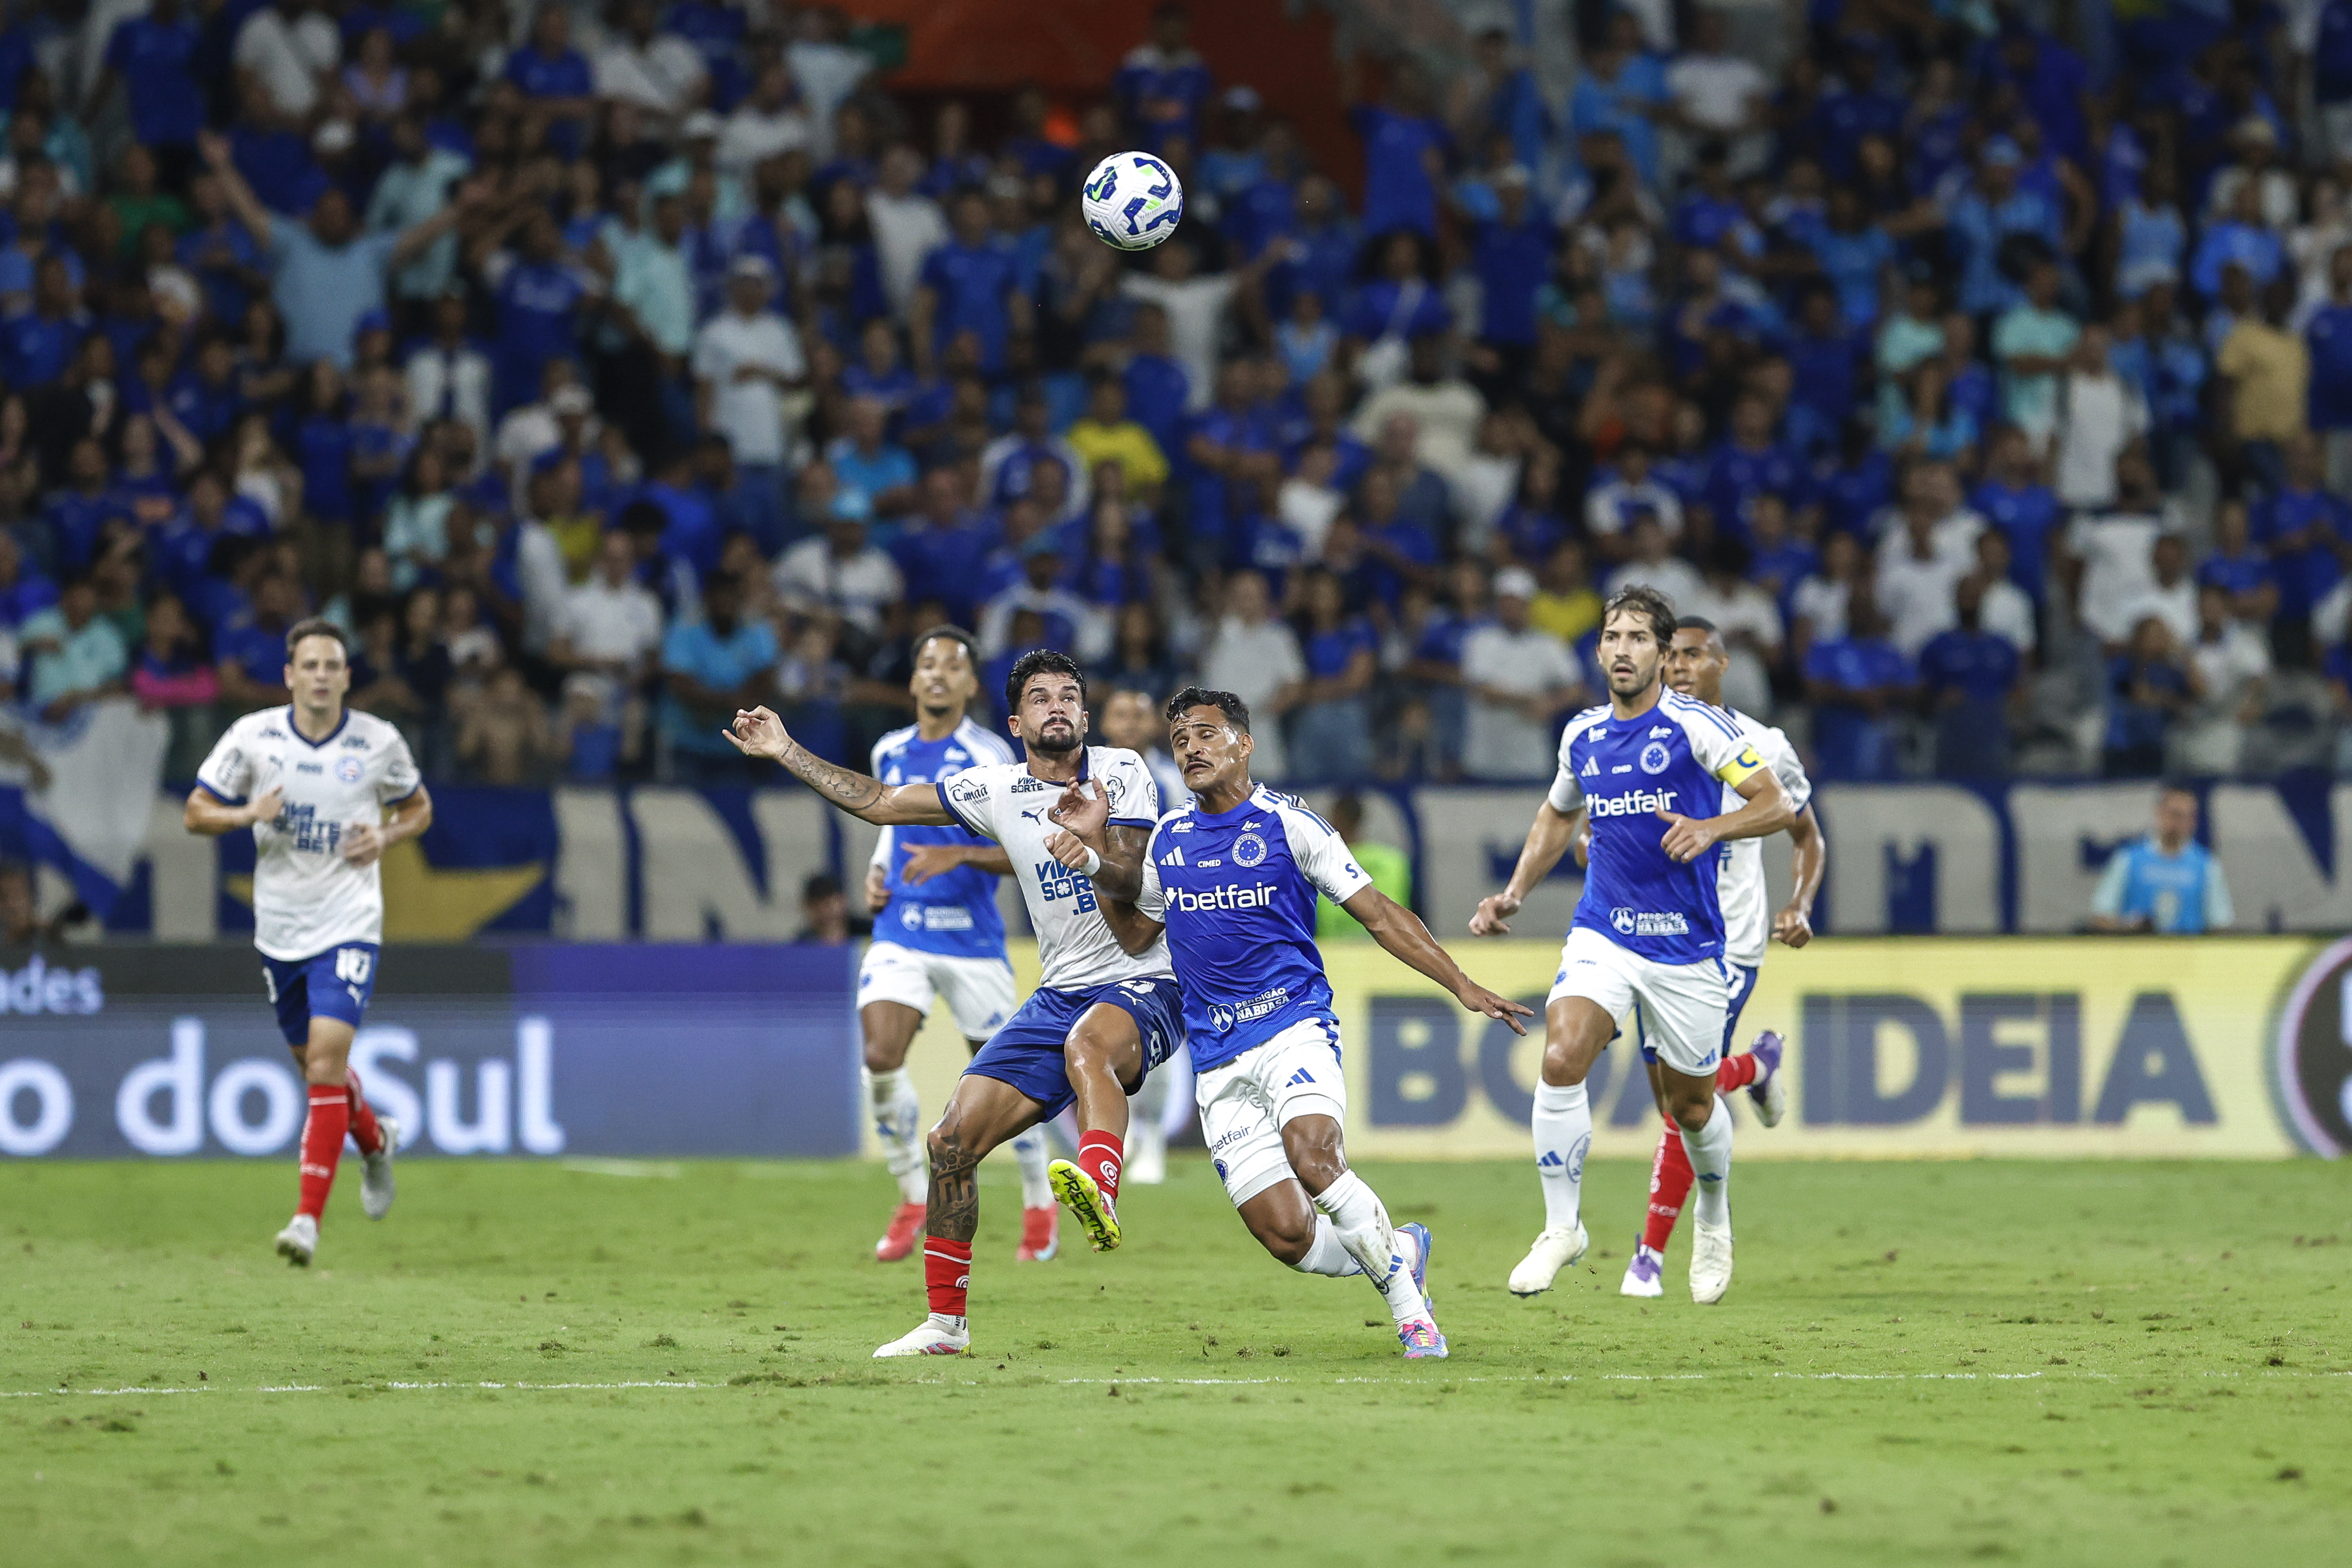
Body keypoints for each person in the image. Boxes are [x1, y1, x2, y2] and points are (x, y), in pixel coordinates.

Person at [723, 651, 1181, 1358]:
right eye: (1039, 697)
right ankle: (945, 1326)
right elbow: (880, 801)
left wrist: (1088, 850)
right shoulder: (994, 788)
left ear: (1086, 716)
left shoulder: (1120, 770)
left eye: (1068, 696)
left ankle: (1100, 1182)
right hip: (1061, 991)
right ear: (1015, 720)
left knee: (1089, 1046)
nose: (1056, 706)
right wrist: (786, 749)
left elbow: (1128, 890)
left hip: (1146, 977)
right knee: (950, 1142)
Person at [1071, 686, 1532, 1360]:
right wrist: (1089, 860)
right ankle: (1402, 1248)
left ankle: (1414, 1318)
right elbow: (1138, 930)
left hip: (1292, 1027)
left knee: (1314, 1157)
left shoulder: (1290, 825)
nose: (1191, 748)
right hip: (1218, 1058)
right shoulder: (1169, 837)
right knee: (1287, 1236)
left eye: (1205, 734)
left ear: (1244, 744)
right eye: (1180, 741)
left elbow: (1379, 913)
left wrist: (1460, 982)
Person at [1466, 586, 1793, 1305]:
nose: (1622, 649)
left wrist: (1712, 828)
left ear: (1661, 652)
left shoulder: (1696, 727)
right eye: (1611, 636)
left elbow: (1776, 803)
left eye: (1638, 638)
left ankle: (1712, 1213)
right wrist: (1515, 892)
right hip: (1604, 931)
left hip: (1686, 947)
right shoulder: (1581, 734)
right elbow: (1557, 815)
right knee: (1560, 1053)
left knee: (1692, 1109)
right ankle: (1562, 1228)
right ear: (1598, 650)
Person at [181, 619, 434, 1266]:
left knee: (324, 1060)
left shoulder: (378, 741)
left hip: (349, 922)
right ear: (290, 674)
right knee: (314, 1067)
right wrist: (245, 815)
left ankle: (306, 1222)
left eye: (333, 665)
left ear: (348, 676)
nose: (321, 675)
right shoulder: (253, 737)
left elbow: (419, 808)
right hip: (280, 930)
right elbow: (195, 811)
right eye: (310, 665)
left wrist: (386, 837)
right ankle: (375, 1143)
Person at [1612, 616, 1820, 1297]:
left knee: (1680, 1103)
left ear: (1722, 664)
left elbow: (1805, 836)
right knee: (1674, 1099)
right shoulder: (1639, 738)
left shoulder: (1764, 745)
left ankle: (1652, 1253)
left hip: (1729, 940)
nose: (1677, 667)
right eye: (1667, 655)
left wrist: (1800, 904)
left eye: (1692, 655)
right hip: (1654, 938)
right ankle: (1756, 1065)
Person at [857, 627, 1059, 1266]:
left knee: (1006, 1085)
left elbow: (1029, 846)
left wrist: (960, 852)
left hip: (972, 942)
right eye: (927, 664)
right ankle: (914, 1195)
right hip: (902, 932)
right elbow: (886, 818)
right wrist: (876, 867)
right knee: (880, 1053)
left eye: (952, 665)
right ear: (914, 680)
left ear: (972, 684)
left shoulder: (993, 752)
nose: (938, 674)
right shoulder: (888, 750)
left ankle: (1037, 1198)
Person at [2090, 785, 2234, 933]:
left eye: (2187, 816)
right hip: (2139, 952)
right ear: (2159, 813)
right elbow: (2101, 916)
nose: (2178, 823)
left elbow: (2220, 923)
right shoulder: (2128, 860)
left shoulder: (2207, 865)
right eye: (2174, 814)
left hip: (2189, 953)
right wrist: (2130, 928)